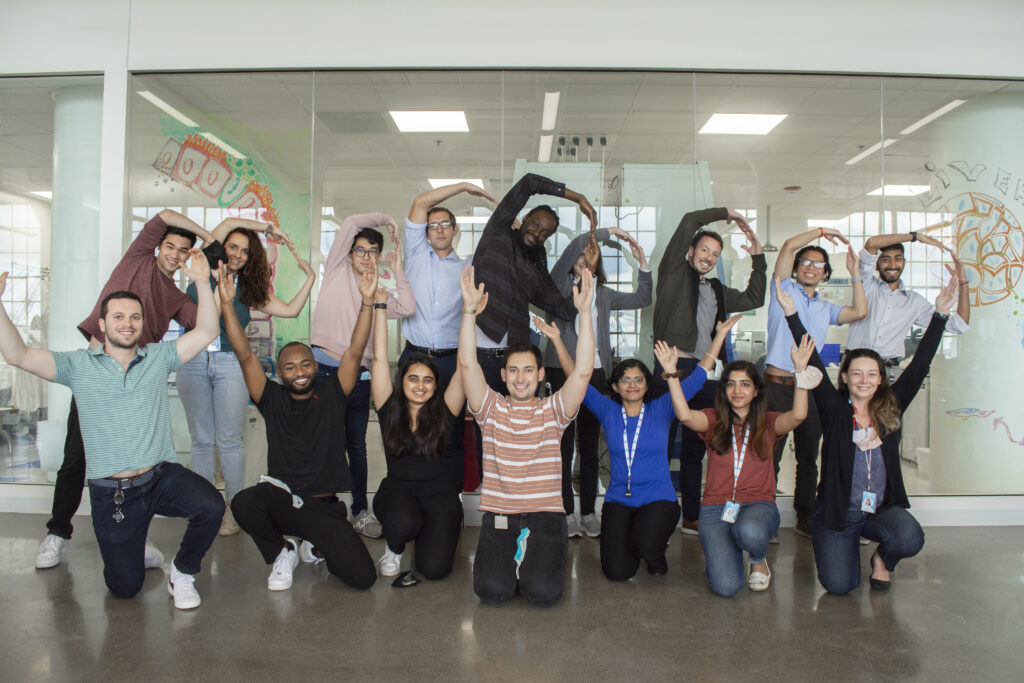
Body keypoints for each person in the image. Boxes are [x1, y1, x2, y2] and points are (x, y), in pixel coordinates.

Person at [0, 251, 225, 609]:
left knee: (211, 506)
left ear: (143, 323)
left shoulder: (158, 358)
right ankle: (136, 549)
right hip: (113, 494)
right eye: (118, 316)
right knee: (124, 588)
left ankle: (183, 572)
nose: (127, 323)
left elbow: (208, 330)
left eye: (134, 317)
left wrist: (201, 280)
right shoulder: (76, 366)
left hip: (160, 477)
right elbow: (18, 355)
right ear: (102, 325)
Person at [36, 209, 218, 570]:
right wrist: (207, 234)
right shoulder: (138, 257)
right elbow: (164, 214)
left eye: (184, 250)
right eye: (171, 246)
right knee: (76, 458)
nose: (175, 254)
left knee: (140, 467)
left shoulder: (178, 298)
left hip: (137, 381)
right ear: (158, 246)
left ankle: (137, 535)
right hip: (97, 373)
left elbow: (203, 325)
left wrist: (207, 280)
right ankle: (57, 534)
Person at [776, 275, 959, 594]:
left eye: (872, 374)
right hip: (838, 514)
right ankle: (837, 549)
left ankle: (882, 561)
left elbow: (920, 364)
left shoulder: (891, 405)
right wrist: (791, 313)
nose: (864, 380)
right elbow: (811, 357)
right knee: (839, 586)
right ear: (844, 376)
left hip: (880, 508)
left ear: (880, 379)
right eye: (856, 373)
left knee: (909, 538)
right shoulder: (834, 409)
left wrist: (940, 314)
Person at [225, 264, 379, 592]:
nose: (300, 372)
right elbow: (244, 356)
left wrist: (367, 303)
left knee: (362, 578)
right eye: (290, 367)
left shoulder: (333, 395)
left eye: (306, 364)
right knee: (243, 503)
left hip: (322, 508)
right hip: (282, 499)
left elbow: (354, 350)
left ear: (315, 367)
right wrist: (227, 305)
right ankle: (284, 550)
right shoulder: (271, 397)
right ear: (280, 373)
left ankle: (315, 544)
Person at [460, 264, 594, 606]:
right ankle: (516, 558)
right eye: (514, 371)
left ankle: (529, 557)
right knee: (492, 592)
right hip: (500, 514)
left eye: (529, 371)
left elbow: (582, 371)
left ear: (540, 374)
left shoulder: (554, 410)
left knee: (543, 593)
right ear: (504, 375)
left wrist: (584, 312)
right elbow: (467, 366)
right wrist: (469, 312)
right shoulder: (489, 408)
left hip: (546, 514)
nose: (521, 379)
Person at [177, 220, 316, 536]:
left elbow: (292, 310)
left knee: (229, 439)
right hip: (192, 359)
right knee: (202, 440)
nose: (238, 254)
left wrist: (310, 278)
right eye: (233, 247)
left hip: (229, 363)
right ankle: (200, 509)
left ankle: (231, 510)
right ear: (223, 248)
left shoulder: (248, 290)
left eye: (245, 251)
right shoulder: (204, 268)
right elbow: (229, 223)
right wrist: (268, 229)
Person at [577, 316, 738, 581]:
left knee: (643, 545)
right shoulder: (607, 410)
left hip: (658, 499)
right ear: (616, 387)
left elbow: (699, 375)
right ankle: (640, 541)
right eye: (625, 380)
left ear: (648, 384)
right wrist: (559, 340)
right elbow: (578, 378)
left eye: (638, 379)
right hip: (619, 499)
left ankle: (654, 552)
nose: (632, 384)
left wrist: (719, 336)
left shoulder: (662, 407)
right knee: (618, 573)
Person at [468, 173, 596, 479]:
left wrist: (583, 274)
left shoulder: (534, 271)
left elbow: (563, 308)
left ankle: (518, 492)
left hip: (517, 362)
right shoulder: (497, 233)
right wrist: (576, 197)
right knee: (482, 435)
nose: (538, 233)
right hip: (480, 355)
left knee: (517, 434)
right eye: (536, 224)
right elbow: (527, 183)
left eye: (546, 233)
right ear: (523, 218)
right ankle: (491, 499)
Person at [651, 207, 767, 535]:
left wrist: (758, 258)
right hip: (671, 368)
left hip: (705, 375)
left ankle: (690, 516)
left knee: (693, 451)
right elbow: (689, 219)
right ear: (690, 251)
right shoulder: (673, 272)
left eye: (715, 254)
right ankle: (654, 515)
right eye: (704, 249)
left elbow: (754, 297)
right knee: (659, 446)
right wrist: (727, 213)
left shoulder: (716, 289)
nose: (709, 257)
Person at [674, 336, 815, 596]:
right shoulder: (713, 419)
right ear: (724, 390)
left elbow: (798, 415)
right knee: (726, 587)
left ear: (756, 390)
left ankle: (757, 559)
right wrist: (672, 376)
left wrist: (800, 372)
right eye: (731, 384)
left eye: (745, 384)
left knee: (749, 530)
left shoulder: (769, 422)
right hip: (717, 508)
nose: (737, 391)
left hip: (758, 504)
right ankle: (731, 549)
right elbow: (684, 415)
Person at [544, 227, 652, 538]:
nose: (583, 257)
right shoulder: (559, 289)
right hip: (559, 370)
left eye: (589, 255)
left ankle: (589, 512)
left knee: (590, 446)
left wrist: (642, 263)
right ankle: (565, 512)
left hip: (597, 373)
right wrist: (600, 235)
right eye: (579, 254)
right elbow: (570, 255)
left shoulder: (602, 294)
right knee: (563, 447)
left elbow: (643, 297)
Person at [311, 213, 414, 538]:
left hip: (361, 374)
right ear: (349, 252)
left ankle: (359, 510)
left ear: (378, 258)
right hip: (325, 369)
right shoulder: (336, 271)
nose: (366, 257)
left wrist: (396, 270)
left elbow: (408, 308)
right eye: (360, 250)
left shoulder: (378, 289)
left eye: (372, 252)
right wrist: (388, 220)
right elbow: (352, 222)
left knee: (356, 446)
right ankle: (321, 509)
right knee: (325, 444)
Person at [767, 227, 867, 537]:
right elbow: (785, 246)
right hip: (778, 387)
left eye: (819, 264)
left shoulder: (826, 308)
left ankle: (805, 518)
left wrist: (855, 274)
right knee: (769, 455)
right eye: (806, 262)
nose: (812, 267)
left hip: (810, 389)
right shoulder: (783, 292)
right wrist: (821, 232)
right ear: (796, 269)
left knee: (809, 459)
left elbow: (861, 311)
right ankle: (765, 516)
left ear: (825, 274)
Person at [369, 278, 469, 580]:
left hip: (439, 496)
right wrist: (381, 305)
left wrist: (469, 311)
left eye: (428, 380)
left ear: (436, 386)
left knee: (434, 570)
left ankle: (430, 529)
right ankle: (395, 547)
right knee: (402, 522)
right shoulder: (389, 407)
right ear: (402, 381)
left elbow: (465, 364)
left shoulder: (445, 409)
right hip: (397, 493)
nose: (420, 385)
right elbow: (377, 358)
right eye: (413, 378)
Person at [401, 182, 498, 491]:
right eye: (433, 226)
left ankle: (450, 500)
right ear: (426, 233)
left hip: (451, 364)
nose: (439, 229)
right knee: (409, 431)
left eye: (445, 225)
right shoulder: (415, 254)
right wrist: (464, 188)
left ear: (455, 230)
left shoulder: (467, 268)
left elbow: (503, 237)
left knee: (453, 433)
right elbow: (418, 200)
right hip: (414, 358)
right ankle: (413, 495)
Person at [847, 230, 970, 380]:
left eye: (898, 259)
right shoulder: (865, 284)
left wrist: (963, 281)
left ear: (904, 262)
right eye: (885, 259)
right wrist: (917, 237)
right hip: (855, 369)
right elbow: (872, 243)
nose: (892, 264)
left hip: (888, 374)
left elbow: (959, 325)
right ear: (876, 265)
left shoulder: (915, 302)